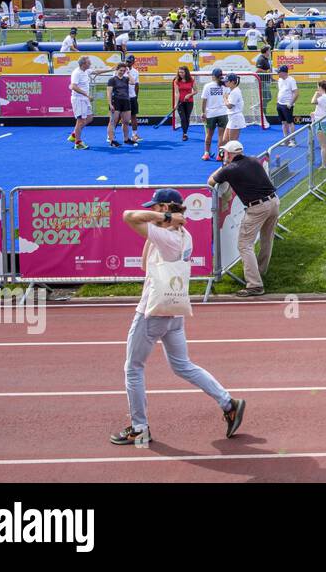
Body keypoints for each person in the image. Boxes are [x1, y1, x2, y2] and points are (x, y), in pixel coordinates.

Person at [112, 189, 246, 445]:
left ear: (164, 208)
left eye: (156, 207)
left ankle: (139, 427)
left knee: (133, 368)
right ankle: (228, 402)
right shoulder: (184, 235)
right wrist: (163, 221)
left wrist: (161, 220)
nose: (151, 210)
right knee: (182, 365)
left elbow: (128, 216)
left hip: (152, 311)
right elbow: (144, 264)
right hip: (174, 311)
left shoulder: (168, 237)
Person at [208, 140, 279, 298]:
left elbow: (210, 182)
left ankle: (255, 284)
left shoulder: (230, 169)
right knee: (267, 239)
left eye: (225, 153)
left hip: (257, 207)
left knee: (244, 245)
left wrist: (223, 166)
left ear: (229, 154)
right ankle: (260, 272)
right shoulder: (253, 160)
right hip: (273, 201)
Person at [199, 68, 229, 161]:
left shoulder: (207, 86)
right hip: (223, 113)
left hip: (211, 113)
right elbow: (227, 98)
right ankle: (220, 155)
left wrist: (203, 112)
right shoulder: (225, 86)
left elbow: (204, 100)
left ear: (213, 76)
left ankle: (206, 153)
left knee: (209, 135)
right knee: (221, 136)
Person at [67, 55, 95, 150]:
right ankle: (78, 143)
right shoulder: (76, 73)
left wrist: (111, 69)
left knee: (90, 118)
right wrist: (87, 95)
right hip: (78, 100)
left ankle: (74, 134)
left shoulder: (86, 71)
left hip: (85, 100)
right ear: (83, 64)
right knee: (80, 121)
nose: (90, 63)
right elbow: (73, 86)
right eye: (88, 62)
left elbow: (97, 72)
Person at [105, 63, 133, 148]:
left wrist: (128, 73)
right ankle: (111, 140)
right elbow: (109, 93)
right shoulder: (112, 80)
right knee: (113, 122)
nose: (122, 72)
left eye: (124, 71)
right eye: (121, 70)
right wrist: (110, 104)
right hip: (115, 102)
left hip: (126, 102)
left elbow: (133, 82)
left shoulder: (126, 79)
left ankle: (126, 139)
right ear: (117, 70)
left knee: (126, 121)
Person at [275, 64, 298, 144]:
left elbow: (296, 93)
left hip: (287, 105)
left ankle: (293, 140)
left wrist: (291, 103)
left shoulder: (291, 80)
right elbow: (280, 90)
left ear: (284, 73)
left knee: (290, 122)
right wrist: (278, 100)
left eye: (279, 72)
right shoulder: (280, 80)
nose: (278, 74)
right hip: (280, 104)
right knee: (283, 122)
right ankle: (286, 139)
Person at [222, 74, 246, 151]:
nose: (225, 83)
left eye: (227, 81)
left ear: (232, 82)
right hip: (232, 117)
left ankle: (236, 159)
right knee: (225, 140)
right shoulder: (233, 91)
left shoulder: (235, 92)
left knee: (233, 143)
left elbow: (230, 106)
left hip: (235, 117)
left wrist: (225, 98)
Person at [173, 66, 196, 142]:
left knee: (187, 118)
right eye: (179, 72)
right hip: (180, 102)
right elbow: (176, 93)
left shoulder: (191, 80)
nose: (181, 74)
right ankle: (184, 134)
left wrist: (189, 95)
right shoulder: (176, 81)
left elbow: (196, 91)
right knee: (183, 118)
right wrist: (176, 104)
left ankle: (185, 132)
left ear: (186, 72)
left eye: (182, 72)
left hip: (189, 102)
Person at [124, 55, 142, 144]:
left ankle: (134, 134)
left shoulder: (135, 72)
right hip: (122, 97)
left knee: (134, 116)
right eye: (127, 61)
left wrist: (136, 96)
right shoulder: (120, 70)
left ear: (133, 62)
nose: (127, 63)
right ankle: (110, 135)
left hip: (132, 97)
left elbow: (137, 85)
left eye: (129, 62)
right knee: (117, 117)